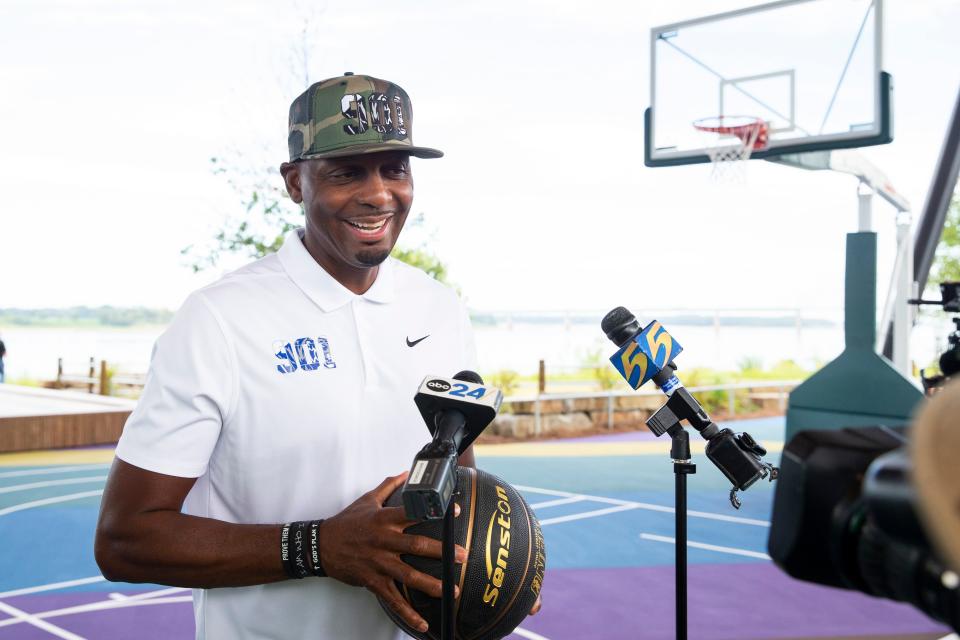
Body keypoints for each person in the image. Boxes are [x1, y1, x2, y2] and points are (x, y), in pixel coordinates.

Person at [95, 73, 539, 639]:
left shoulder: (440, 307)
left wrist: (496, 566)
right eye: (347, 171)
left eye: (395, 168)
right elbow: (125, 538)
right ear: (295, 183)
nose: (379, 194)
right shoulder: (218, 320)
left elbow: (459, 476)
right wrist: (318, 547)